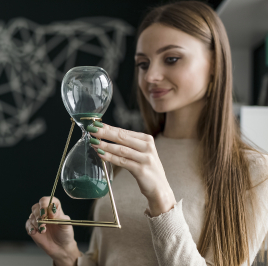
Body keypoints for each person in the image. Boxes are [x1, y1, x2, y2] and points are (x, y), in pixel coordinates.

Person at [25, 1, 268, 265]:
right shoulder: (128, 156)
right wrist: (69, 256)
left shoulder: (253, 172)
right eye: (142, 63)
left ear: (215, 65)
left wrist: (161, 200)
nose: (151, 76)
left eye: (171, 59)